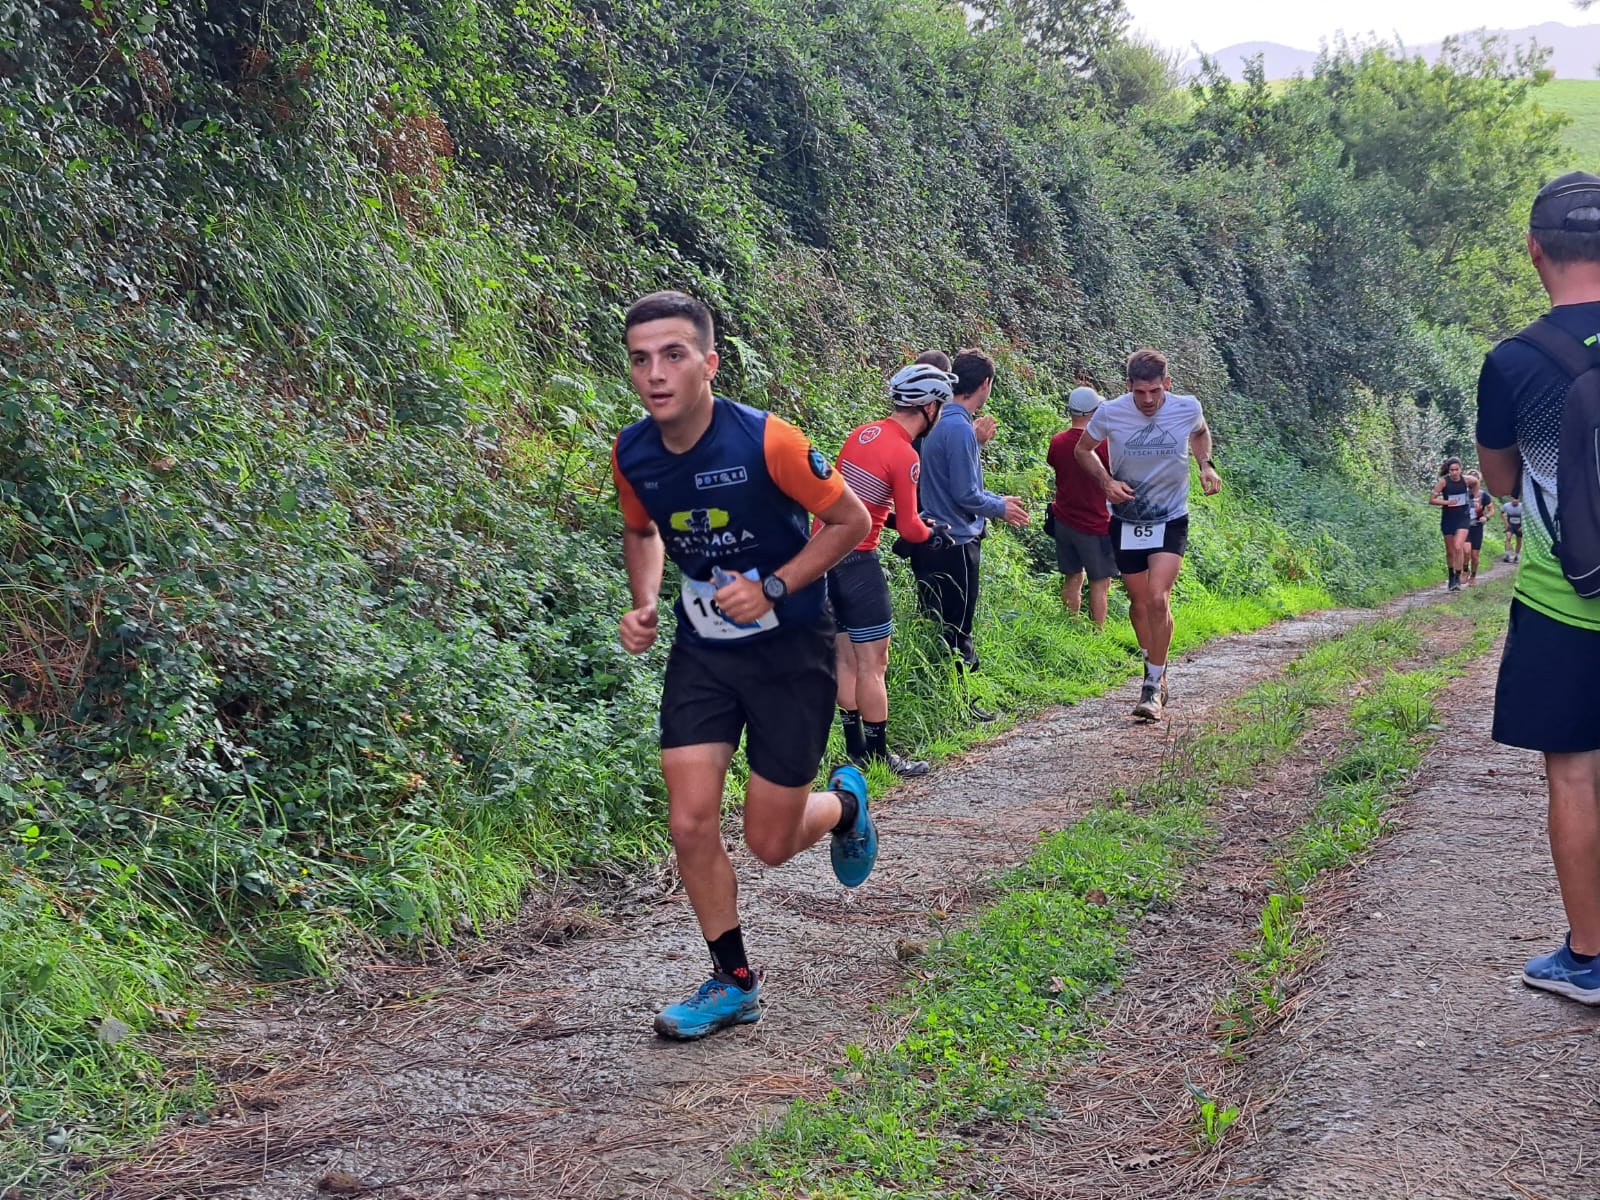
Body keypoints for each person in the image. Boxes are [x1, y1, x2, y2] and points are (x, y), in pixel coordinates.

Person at [610, 290, 878, 1040]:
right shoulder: (632, 452)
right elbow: (640, 530)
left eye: (673, 355)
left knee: (769, 841)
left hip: (791, 652)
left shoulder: (768, 442)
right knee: (690, 822)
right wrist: (644, 601)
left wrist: (772, 587)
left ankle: (844, 807)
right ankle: (734, 982)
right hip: (703, 656)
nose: (655, 373)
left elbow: (850, 521)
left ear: (708, 363)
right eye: (640, 359)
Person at [1475, 170, 1600, 1005]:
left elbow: (1505, 482)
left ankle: (1589, 958)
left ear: (1533, 252)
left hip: (1568, 599)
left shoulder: (1513, 361)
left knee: (1576, 773)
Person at [1074, 349, 1221, 722]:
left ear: (1167, 385)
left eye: (1155, 391)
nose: (1148, 400)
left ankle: (1152, 685)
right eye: (1140, 393)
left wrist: (1205, 465)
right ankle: (1154, 664)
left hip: (1171, 517)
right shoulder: (1110, 412)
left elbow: (1201, 432)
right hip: (1126, 518)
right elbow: (1083, 450)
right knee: (1139, 605)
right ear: (1128, 387)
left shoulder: (1187, 407)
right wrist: (1107, 482)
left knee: (1158, 598)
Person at [827, 363, 956, 779]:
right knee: (874, 663)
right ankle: (880, 756)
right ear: (930, 407)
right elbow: (912, 526)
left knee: (845, 660)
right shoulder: (905, 453)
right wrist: (932, 534)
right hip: (859, 562)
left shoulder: (862, 433)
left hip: (824, 557)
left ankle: (854, 749)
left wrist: (912, 527)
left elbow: (861, 499)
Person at [910, 349, 1028, 687]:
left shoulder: (940, 422)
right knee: (959, 626)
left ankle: (939, 688)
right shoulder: (960, 429)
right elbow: (965, 494)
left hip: (932, 535)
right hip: (957, 540)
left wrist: (996, 499)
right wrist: (999, 507)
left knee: (934, 618)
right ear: (985, 384)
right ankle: (961, 697)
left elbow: (961, 485)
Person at [1045, 386, 1119, 629]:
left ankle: (1071, 628)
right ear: (1095, 411)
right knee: (1100, 582)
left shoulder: (1057, 442)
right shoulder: (1105, 445)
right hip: (1095, 524)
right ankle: (1098, 633)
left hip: (1064, 521)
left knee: (1073, 577)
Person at [1429, 457, 1471, 591]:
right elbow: (1432, 500)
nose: (1454, 472)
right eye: (1451, 470)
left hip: (1463, 517)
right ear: (1448, 470)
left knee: (1458, 546)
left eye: (1456, 470)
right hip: (1448, 518)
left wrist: (1475, 498)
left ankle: (1458, 577)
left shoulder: (1467, 480)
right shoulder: (1443, 482)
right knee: (1450, 551)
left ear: (1461, 469)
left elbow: (1476, 483)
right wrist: (1447, 503)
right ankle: (1451, 575)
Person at [1464, 471, 1493, 585]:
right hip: (1464, 527)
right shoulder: (1463, 493)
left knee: (1474, 556)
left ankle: (1473, 576)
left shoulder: (1483, 495)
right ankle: (1465, 570)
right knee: (1465, 551)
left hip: (1477, 527)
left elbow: (1491, 510)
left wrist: (1486, 517)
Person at [1501, 493, 1524, 563]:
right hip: (1510, 525)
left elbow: (1527, 516)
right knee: (1508, 537)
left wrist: (1523, 526)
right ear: (1511, 499)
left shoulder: (1522, 506)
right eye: (1513, 499)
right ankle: (1507, 555)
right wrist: (1506, 523)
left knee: (1519, 541)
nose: (1515, 501)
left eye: (1516, 499)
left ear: (1518, 500)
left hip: (1519, 525)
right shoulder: (1506, 506)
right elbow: (1502, 513)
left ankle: (1516, 556)